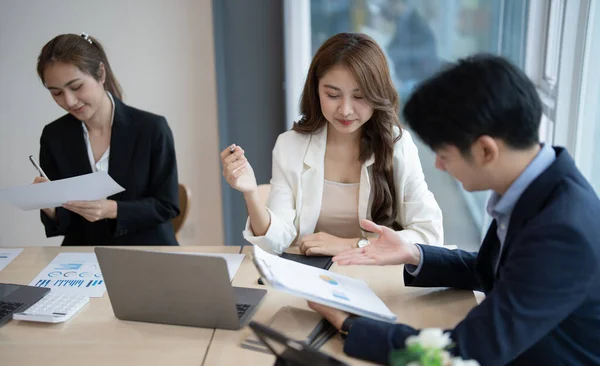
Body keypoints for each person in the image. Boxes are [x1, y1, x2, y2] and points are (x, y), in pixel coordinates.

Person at [308, 54, 600, 365]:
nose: (439, 165)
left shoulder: (561, 231)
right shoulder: (543, 184)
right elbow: (500, 269)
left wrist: (350, 323)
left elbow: (464, 352)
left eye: (444, 153)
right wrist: (414, 253)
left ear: (486, 150)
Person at [220, 32, 443, 255]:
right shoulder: (290, 146)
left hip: (379, 275)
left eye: (359, 96)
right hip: (314, 276)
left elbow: (430, 234)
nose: (345, 110)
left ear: (377, 95)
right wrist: (250, 192)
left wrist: (351, 245)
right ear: (316, 91)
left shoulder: (398, 145)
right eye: (333, 95)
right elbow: (276, 241)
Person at [34, 33, 180, 246]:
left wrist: (111, 209)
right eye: (56, 93)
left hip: (148, 249)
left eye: (76, 87)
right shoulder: (54, 135)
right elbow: (64, 222)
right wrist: (48, 206)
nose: (69, 101)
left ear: (101, 73)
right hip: (83, 254)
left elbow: (167, 206)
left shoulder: (151, 128)